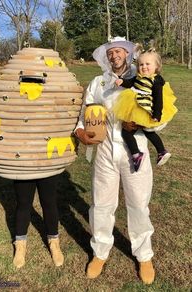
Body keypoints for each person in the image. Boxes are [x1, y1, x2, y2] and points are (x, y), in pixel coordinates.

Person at [75, 36, 156, 284]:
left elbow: (159, 116)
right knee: (101, 205)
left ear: (127, 53)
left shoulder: (142, 78)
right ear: (106, 56)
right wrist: (81, 134)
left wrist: (142, 122)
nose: (114, 56)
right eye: (110, 53)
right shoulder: (98, 83)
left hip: (135, 151)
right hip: (105, 152)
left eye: (119, 51)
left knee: (139, 205)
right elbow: (83, 117)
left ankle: (144, 255)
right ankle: (100, 252)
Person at [113, 49, 177, 171]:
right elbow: (130, 83)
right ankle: (145, 153)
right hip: (136, 108)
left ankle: (151, 152)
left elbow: (159, 99)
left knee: (143, 131)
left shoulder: (156, 80)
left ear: (157, 66)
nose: (144, 67)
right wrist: (122, 81)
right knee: (130, 131)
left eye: (148, 64)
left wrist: (157, 114)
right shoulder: (138, 77)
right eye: (141, 64)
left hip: (147, 110)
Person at [13, 175, 64, 268]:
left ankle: (54, 242)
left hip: (48, 165)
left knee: (49, 202)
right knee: (23, 203)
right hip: (23, 167)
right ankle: (20, 243)